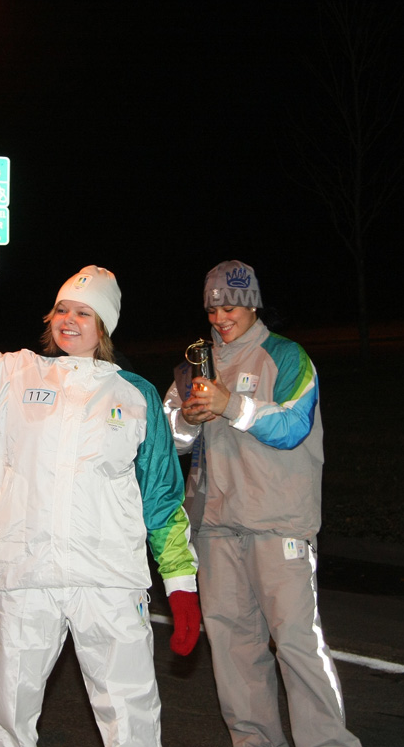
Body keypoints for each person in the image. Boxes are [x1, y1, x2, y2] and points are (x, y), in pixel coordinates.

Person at [0, 251, 201, 747]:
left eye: (84, 312)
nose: (70, 320)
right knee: (6, 718)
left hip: (108, 582)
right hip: (23, 579)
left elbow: (161, 498)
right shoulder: (9, 376)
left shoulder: (134, 396)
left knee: (132, 722)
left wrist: (181, 588)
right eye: (63, 309)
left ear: (104, 326)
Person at [163, 260, 362, 747]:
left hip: (278, 524)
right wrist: (188, 419)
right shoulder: (195, 363)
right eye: (212, 308)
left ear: (251, 304)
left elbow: (293, 426)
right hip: (213, 527)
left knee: (295, 644)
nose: (220, 317)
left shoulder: (287, 356)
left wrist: (230, 404)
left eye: (230, 306)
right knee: (233, 649)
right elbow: (171, 439)